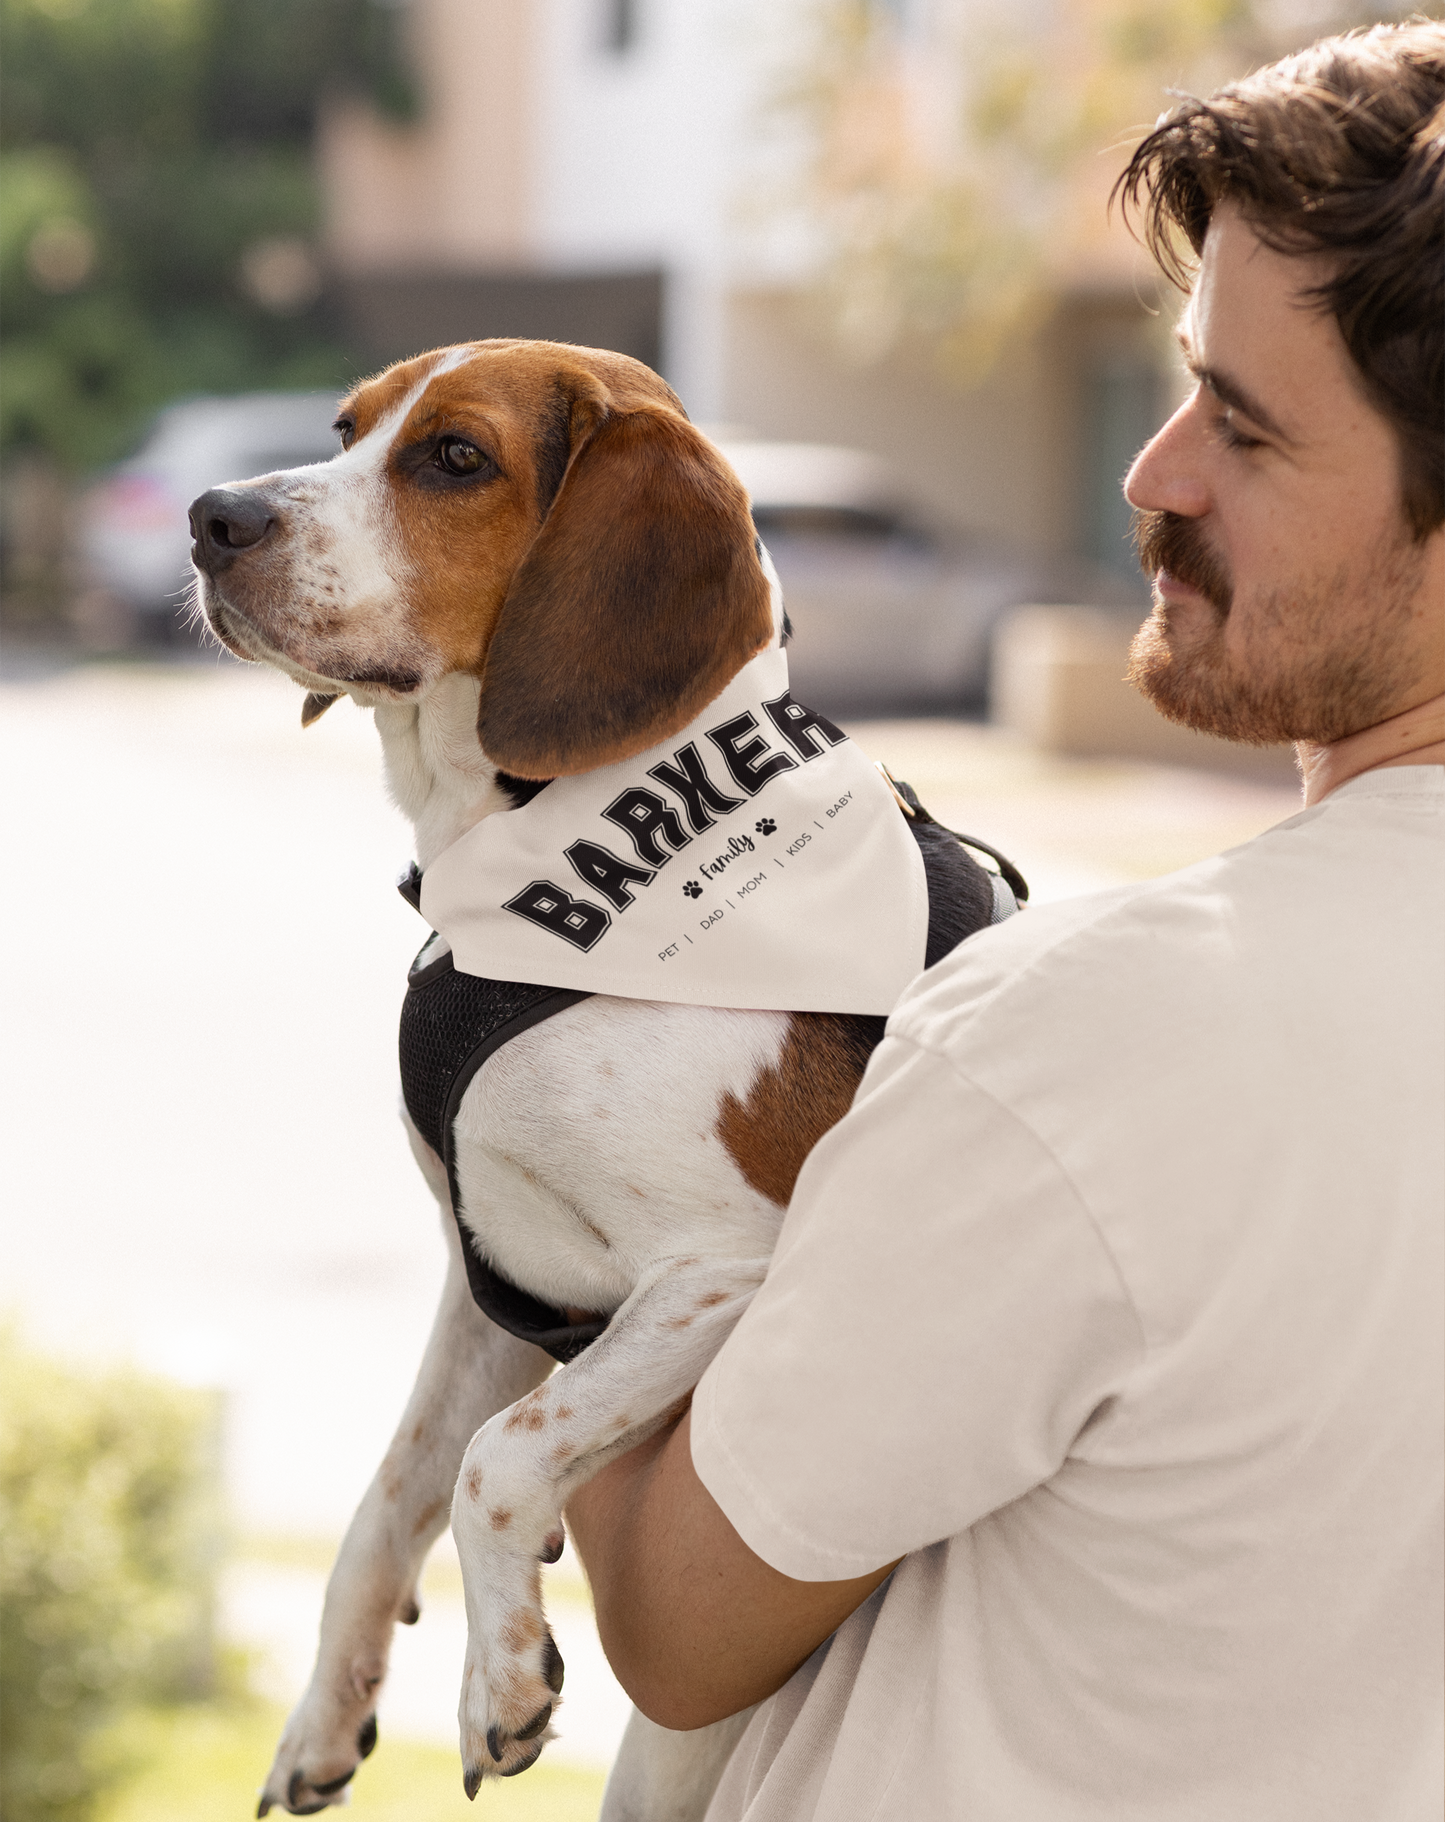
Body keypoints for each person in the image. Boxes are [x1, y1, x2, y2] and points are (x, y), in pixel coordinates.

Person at [566, 23, 1445, 1820]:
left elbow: (668, 1613)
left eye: (1251, 431)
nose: (1155, 474)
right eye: (1186, 380)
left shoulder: (1105, 1036)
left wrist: (568, 1120)